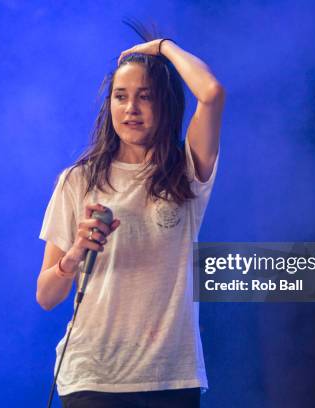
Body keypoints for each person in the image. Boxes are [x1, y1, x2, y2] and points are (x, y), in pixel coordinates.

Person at [36, 31, 225, 407]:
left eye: (145, 96)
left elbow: (212, 93)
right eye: (120, 96)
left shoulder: (185, 171)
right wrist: (73, 256)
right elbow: (45, 296)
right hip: (94, 376)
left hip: (171, 376)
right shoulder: (78, 180)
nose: (130, 108)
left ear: (165, 105)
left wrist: (162, 47)